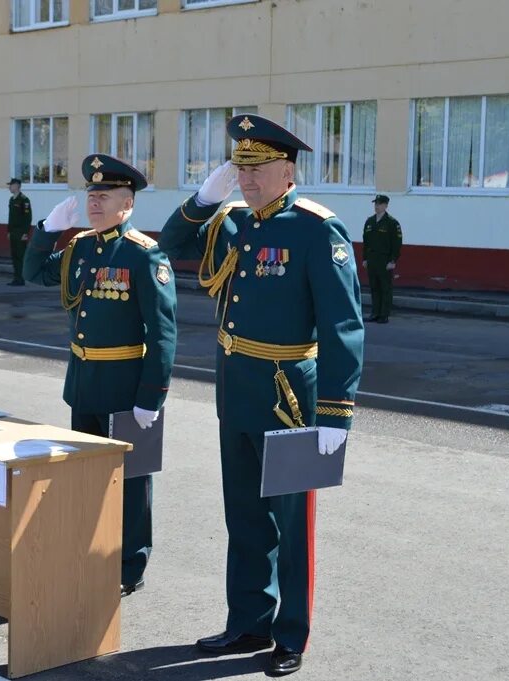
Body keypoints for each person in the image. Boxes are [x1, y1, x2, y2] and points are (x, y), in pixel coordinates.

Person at [159, 114, 363, 677]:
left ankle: (290, 634)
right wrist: (205, 197)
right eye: (239, 169)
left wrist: (335, 419)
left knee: (292, 525)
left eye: (255, 170)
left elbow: (344, 329)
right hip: (239, 389)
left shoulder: (317, 229)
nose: (244, 180)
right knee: (245, 515)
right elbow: (168, 244)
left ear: (287, 171)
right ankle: (248, 619)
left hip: (291, 395)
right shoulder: (234, 222)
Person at [24, 154, 177, 597]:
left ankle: (130, 566)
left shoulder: (143, 255)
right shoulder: (79, 247)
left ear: (126, 204)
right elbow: (32, 272)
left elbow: (163, 333)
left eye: (104, 195)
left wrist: (152, 396)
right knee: (88, 478)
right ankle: (93, 552)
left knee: (130, 482)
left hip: (125, 387)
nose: (94, 202)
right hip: (85, 384)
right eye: (91, 195)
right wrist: (48, 231)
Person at [362, 195, 402, 323]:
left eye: (379, 204)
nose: (376, 206)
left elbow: (397, 243)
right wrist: (365, 258)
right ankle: (375, 313)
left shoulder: (392, 223)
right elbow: (366, 242)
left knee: (385, 288)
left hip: (384, 261)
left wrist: (393, 260)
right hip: (372, 260)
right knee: (374, 287)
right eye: (375, 204)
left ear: (385, 205)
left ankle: (384, 314)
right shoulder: (370, 221)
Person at [6, 178, 31, 285]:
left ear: (17, 186)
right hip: (13, 232)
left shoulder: (24, 200)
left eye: (11, 185)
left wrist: (25, 233)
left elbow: (28, 218)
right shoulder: (12, 200)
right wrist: (9, 231)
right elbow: (11, 218)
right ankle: (16, 277)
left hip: (21, 232)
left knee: (21, 256)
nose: (9, 187)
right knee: (14, 255)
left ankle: (21, 278)